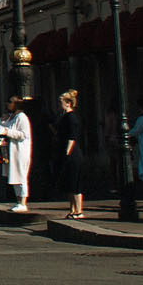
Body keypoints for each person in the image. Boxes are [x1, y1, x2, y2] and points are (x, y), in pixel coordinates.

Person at [0, 97, 33, 214]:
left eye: (10, 102)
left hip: (20, 151)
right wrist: (2, 122)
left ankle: (23, 202)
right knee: (13, 175)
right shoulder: (10, 117)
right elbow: (3, 128)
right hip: (10, 151)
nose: (7, 104)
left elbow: (23, 134)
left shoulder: (22, 117)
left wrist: (6, 131)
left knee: (21, 175)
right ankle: (18, 201)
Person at [55, 90, 85, 219]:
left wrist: (67, 153)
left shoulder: (71, 117)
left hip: (72, 154)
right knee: (69, 184)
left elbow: (72, 137)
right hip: (65, 152)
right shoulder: (64, 116)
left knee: (75, 183)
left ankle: (79, 210)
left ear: (68, 103)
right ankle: (72, 209)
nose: (59, 104)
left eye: (61, 102)